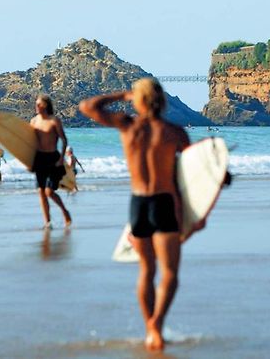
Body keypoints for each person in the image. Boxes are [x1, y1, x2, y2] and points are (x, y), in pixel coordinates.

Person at [79, 78, 194, 351]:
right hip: (165, 203)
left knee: (146, 270)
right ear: (162, 100)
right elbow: (193, 172)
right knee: (170, 273)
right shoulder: (174, 132)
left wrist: (122, 94)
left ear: (139, 99)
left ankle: (148, 329)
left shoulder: (127, 125)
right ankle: (157, 324)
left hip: (138, 204)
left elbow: (87, 106)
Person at [30, 95, 72, 229]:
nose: (36, 107)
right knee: (41, 192)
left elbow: (64, 140)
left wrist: (61, 159)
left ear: (46, 106)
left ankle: (64, 211)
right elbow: (29, 143)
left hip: (53, 158)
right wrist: (28, 162)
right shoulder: (33, 121)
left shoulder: (54, 121)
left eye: (39, 104)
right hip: (39, 159)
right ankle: (47, 222)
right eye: (36, 104)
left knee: (49, 191)